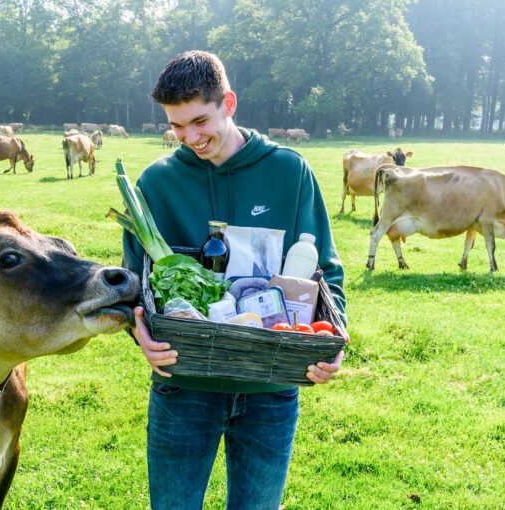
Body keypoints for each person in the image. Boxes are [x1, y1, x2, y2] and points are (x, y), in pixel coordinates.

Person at [122, 50, 346, 510]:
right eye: (177, 126)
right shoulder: (156, 183)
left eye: (199, 121)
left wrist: (332, 343)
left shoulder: (289, 171)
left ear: (229, 102)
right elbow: (134, 283)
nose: (189, 137)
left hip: (271, 388)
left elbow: (327, 270)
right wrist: (137, 330)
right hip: (184, 385)